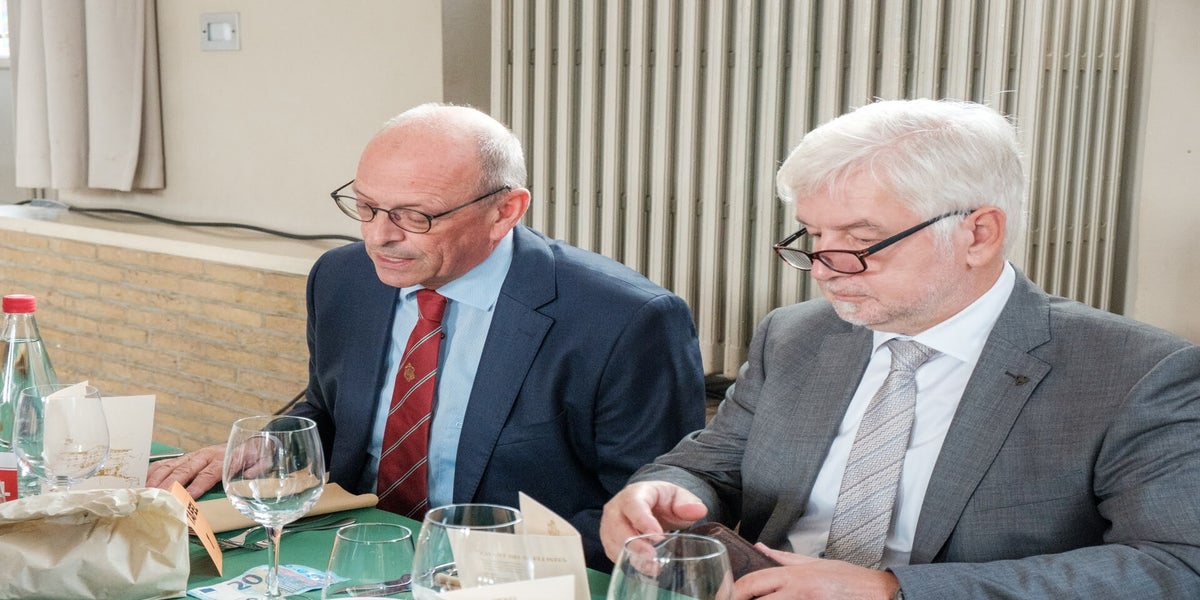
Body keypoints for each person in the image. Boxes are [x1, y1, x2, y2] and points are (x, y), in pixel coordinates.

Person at [600, 98, 1200, 599]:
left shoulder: (1137, 373)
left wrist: (892, 590)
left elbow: (1175, 565)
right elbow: (710, 466)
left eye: (860, 241)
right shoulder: (796, 335)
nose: (823, 269)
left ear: (978, 234)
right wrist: (666, 492)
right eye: (814, 235)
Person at [148, 103, 707, 569]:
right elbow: (330, 407)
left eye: (415, 216)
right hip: (350, 544)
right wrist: (266, 447)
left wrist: (474, 563)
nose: (378, 237)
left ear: (505, 211)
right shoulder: (343, 279)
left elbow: (649, 512)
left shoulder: (626, 320)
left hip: (508, 573)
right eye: (366, 207)